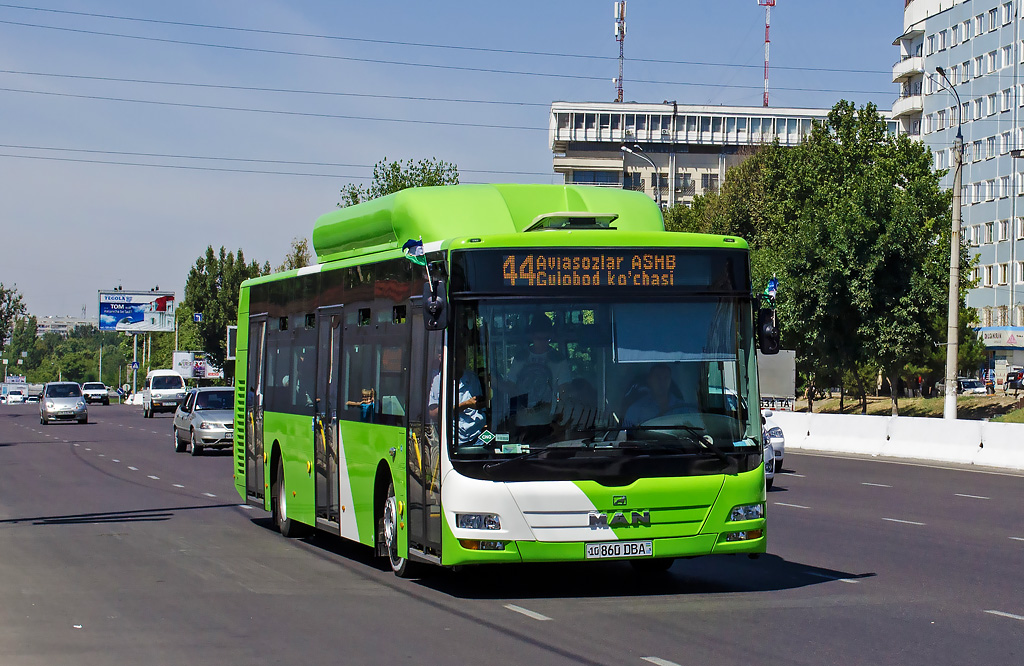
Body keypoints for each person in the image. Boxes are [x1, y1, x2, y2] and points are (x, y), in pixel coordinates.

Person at [502, 316, 572, 440]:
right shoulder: (520, 358)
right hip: (522, 423)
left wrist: (558, 418)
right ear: (532, 336)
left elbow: (564, 392)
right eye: (538, 338)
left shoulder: (559, 360)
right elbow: (511, 388)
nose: (542, 342)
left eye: (546, 339)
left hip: (548, 422)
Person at [428, 346, 485, 445]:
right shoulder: (438, 381)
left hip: (476, 436)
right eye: (454, 357)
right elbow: (433, 414)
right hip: (453, 439)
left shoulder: (472, 378)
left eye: (460, 356)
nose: (457, 361)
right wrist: (465, 405)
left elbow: (480, 405)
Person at [623, 364, 687, 428]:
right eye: (658, 378)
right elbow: (626, 434)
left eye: (666, 378)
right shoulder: (636, 409)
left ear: (670, 381)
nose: (662, 382)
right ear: (649, 380)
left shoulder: (682, 409)